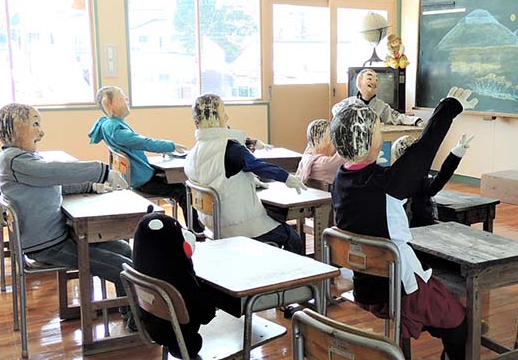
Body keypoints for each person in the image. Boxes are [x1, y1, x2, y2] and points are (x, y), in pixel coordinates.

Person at [330, 87, 478, 360]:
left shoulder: (341, 179)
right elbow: (423, 151)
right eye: (377, 131)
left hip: (366, 286)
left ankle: (430, 323)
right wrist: (448, 107)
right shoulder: (384, 183)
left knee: (438, 305)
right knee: (460, 322)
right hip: (399, 288)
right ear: (371, 141)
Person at [0, 103, 135, 320]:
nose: (41, 131)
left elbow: (53, 181)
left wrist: (92, 186)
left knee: (125, 250)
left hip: (57, 237)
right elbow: (53, 172)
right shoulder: (14, 160)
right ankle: (137, 320)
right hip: (48, 247)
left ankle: (129, 310)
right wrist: (102, 172)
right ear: (16, 127)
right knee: (122, 266)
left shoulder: (20, 158)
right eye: (35, 124)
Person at [184, 93, 306, 254]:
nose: (226, 116)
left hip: (212, 224)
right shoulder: (230, 148)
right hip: (239, 225)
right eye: (223, 111)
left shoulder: (193, 153)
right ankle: (291, 278)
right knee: (293, 237)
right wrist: (287, 177)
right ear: (214, 117)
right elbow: (257, 166)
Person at [88, 86, 199, 231]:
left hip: (138, 175)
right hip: (142, 180)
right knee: (183, 191)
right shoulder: (117, 130)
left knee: (173, 179)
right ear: (110, 105)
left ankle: (191, 227)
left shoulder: (107, 124)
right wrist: (171, 146)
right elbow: (145, 143)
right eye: (121, 98)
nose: (126, 99)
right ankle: (196, 230)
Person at [390, 132, 473, 227]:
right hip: (415, 230)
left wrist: (454, 157)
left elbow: (439, 180)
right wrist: (454, 156)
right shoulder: (415, 181)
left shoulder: (395, 178)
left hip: (412, 228)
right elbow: (440, 179)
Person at [332, 68, 422, 127]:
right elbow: (335, 109)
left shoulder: (381, 106)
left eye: (376, 80)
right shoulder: (349, 103)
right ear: (359, 83)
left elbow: (397, 117)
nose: (374, 82)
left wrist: (416, 120)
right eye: (369, 79)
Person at [297, 118, 345, 187]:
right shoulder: (326, 163)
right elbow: (345, 155)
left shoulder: (307, 156)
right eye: (331, 139)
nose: (334, 144)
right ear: (318, 141)